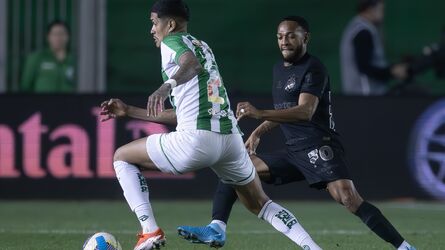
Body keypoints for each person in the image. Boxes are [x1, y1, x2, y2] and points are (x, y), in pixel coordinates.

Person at [177, 16, 416, 250]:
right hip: (293, 150)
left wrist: (259, 113)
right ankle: (217, 227)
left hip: (319, 144)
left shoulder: (314, 68)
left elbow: (304, 112)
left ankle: (404, 247)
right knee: (237, 167)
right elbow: (285, 111)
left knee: (349, 199)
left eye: (291, 35)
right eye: (280, 36)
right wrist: (260, 131)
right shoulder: (278, 70)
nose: (284, 41)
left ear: (306, 38)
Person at [100, 1, 322, 250]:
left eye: (154, 23)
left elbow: (190, 65)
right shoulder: (202, 46)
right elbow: (184, 112)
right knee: (261, 203)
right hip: (230, 141)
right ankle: (313, 248)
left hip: (196, 141)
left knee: (121, 157)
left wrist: (166, 87)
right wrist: (129, 111)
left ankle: (149, 231)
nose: (152, 30)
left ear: (170, 24)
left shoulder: (171, 42)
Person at [340, 0, 408, 95]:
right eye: (381, 9)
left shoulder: (358, 27)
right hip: (365, 95)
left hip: (363, 96)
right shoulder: (363, 32)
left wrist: (391, 69)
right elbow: (364, 67)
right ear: (371, 9)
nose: (383, 14)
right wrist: (391, 72)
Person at [20, 20, 75, 93]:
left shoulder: (74, 60)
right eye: (55, 34)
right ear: (48, 37)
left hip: (70, 103)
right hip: (42, 103)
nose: (58, 37)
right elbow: (25, 86)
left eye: (62, 33)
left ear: (68, 36)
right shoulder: (37, 58)